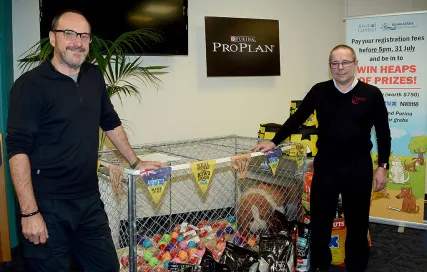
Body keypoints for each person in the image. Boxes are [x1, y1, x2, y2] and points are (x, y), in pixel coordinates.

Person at [6, 9, 164, 272]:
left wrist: (136, 161)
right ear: (53, 38)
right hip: (47, 205)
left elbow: (110, 121)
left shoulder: (93, 76)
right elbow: (17, 149)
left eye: (84, 36)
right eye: (69, 33)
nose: (78, 42)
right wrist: (30, 213)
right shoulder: (29, 86)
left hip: (89, 201)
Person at [252, 44, 391, 272]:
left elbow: (384, 133)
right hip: (327, 165)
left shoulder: (371, 94)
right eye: (335, 63)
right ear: (329, 67)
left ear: (356, 64)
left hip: (359, 167)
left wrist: (382, 166)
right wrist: (274, 141)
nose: (340, 68)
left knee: (357, 223)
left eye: (345, 62)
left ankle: (356, 266)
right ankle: (319, 266)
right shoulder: (320, 91)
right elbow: (296, 118)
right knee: (320, 221)